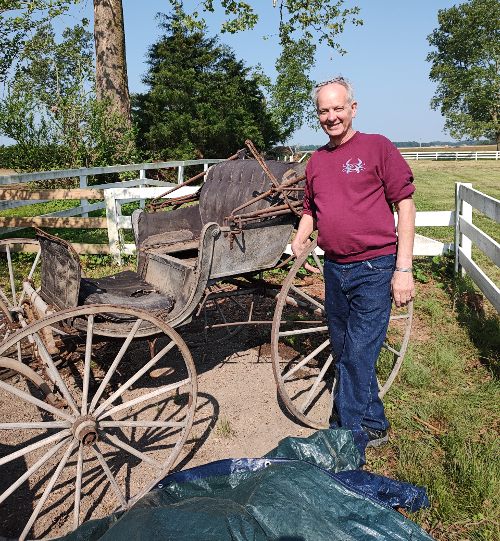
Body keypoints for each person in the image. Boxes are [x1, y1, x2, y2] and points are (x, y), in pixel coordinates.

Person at [291, 76, 416, 449]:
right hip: (335, 269)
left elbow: (405, 206)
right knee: (347, 350)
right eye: (324, 111)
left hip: (375, 268)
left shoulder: (377, 148)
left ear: (353, 108)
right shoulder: (316, 161)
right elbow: (312, 209)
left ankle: (343, 439)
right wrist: (301, 236)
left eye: (338, 108)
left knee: (358, 353)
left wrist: (404, 269)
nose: (331, 117)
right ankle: (374, 423)